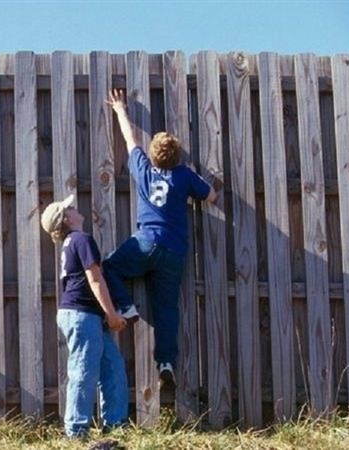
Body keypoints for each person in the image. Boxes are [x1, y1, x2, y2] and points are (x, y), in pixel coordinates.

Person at [104, 89, 218, 389]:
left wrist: (120, 110)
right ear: (177, 156)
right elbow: (212, 196)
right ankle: (166, 362)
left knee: (109, 267)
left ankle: (126, 307)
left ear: (153, 155)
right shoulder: (183, 176)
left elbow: (130, 140)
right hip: (174, 251)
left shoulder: (143, 169)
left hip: (145, 242)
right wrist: (194, 177)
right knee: (166, 308)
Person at [40, 194, 129, 438]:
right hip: (82, 315)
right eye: (71, 208)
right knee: (83, 370)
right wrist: (111, 315)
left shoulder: (71, 242)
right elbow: (95, 279)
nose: (76, 209)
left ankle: (115, 425)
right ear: (67, 218)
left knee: (112, 367)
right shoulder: (81, 239)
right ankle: (76, 431)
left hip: (84, 315)